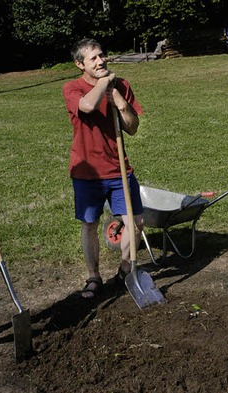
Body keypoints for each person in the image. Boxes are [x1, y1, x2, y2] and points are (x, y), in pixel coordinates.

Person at [62, 38, 145, 300]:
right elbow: (86, 106)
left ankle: (124, 270)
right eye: (93, 59)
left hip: (119, 168)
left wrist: (120, 102)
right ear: (80, 64)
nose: (100, 61)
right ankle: (94, 277)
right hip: (88, 172)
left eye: (102, 56)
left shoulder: (121, 86)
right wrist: (103, 83)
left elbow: (132, 128)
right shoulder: (72, 88)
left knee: (137, 222)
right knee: (90, 224)